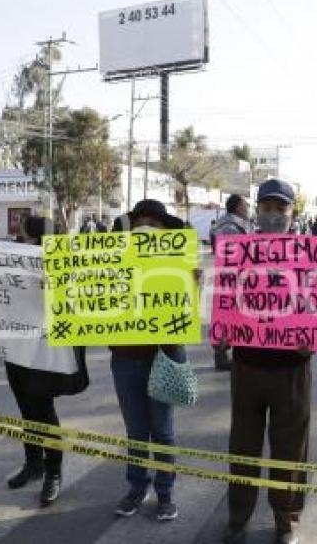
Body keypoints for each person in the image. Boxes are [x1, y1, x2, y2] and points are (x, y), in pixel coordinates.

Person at [221, 179, 312, 544]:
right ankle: (238, 517)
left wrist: (313, 335)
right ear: (256, 211)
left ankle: (284, 516)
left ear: (293, 213)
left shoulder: (311, 255)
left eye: (281, 209)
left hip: (292, 368)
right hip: (247, 366)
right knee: (242, 446)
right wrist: (223, 332)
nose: (274, 215)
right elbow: (225, 303)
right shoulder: (238, 252)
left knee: (290, 448)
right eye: (267, 208)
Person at [109, 199, 189, 522]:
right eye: (141, 222)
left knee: (163, 431)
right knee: (136, 431)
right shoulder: (113, 262)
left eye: (154, 224)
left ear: (165, 229)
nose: (147, 228)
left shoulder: (179, 262)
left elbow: (188, 308)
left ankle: (166, 492)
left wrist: (193, 282)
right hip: (125, 359)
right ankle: (137, 488)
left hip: (164, 357)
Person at [4, 215, 89, 507]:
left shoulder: (61, 263)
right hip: (15, 349)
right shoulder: (15, 259)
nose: (19, 238)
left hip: (43, 351)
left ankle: (54, 470)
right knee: (27, 409)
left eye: (24, 234)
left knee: (42, 409)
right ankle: (33, 464)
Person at [210, 195, 252, 370]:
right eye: (245, 206)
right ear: (237, 208)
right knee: (230, 315)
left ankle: (223, 351)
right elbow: (233, 255)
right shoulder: (231, 227)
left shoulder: (224, 223)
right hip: (232, 277)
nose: (247, 209)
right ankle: (221, 354)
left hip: (229, 276)